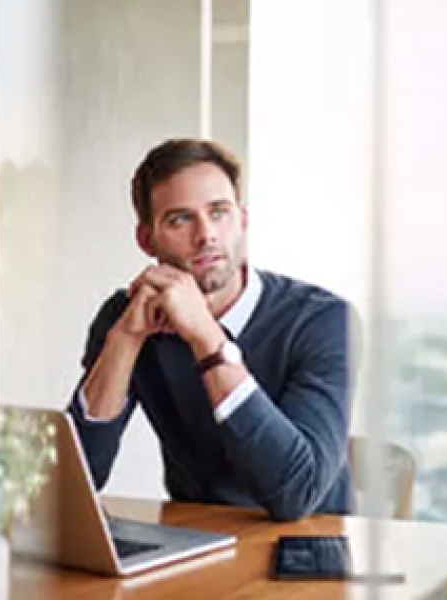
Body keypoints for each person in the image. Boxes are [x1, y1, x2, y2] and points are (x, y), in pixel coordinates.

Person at [66, 138, 359, 522]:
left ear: (243, 220)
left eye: (219, 212)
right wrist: (125, 340)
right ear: (146, 239)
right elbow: (75, 483)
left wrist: (206, 336)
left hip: (309, 541)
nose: (206, 235)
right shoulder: (127, 318)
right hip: (199, 535)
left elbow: (297, 494)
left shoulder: (324, 320)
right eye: (180, 220)